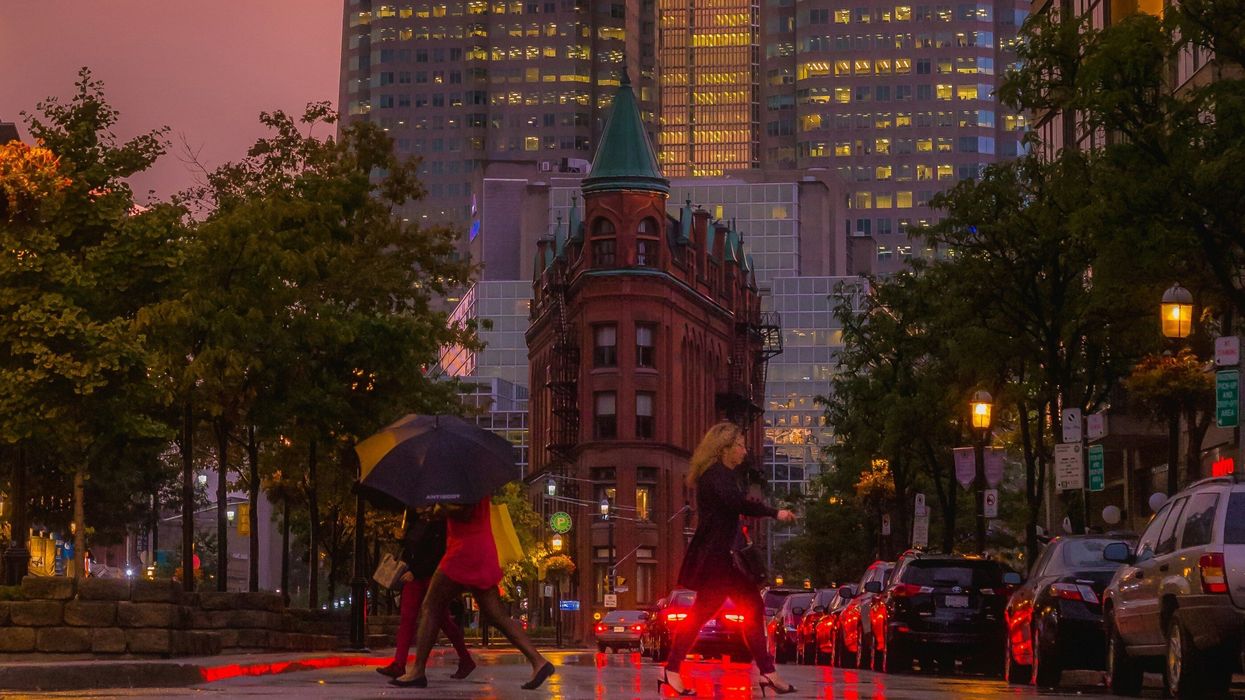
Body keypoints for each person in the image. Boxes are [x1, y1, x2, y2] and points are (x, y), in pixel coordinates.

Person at [659, 422, 798, 697]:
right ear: (725, 448)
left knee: (720, 613)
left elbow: (733, 507)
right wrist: (774, 512)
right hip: (720, 559)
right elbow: (737, 504)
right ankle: (767, 672)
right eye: (740, 445)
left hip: (720, 558)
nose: (744, 451)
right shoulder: (716, 475)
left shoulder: (718, 474)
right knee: (743, 610)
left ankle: (674, 669)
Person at [392, 499, 554, 690]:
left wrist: (437, 509)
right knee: (496, 615)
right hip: (480, 547)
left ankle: (417, 670)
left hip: (464, 550)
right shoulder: (472, 478)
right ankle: (539, 662)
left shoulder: (462, 480)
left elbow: (465, 510)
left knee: (431, 605)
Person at [376, 510, 474, 680]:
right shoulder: (414, 520)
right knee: (407, 618)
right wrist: (402, 543)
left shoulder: (441, 523)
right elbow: (410, 549)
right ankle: (399, 664)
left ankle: (465, 659)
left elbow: (438, 553)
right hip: (413, 577)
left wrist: (416, 571)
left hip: (432, 577)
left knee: (442, 620)